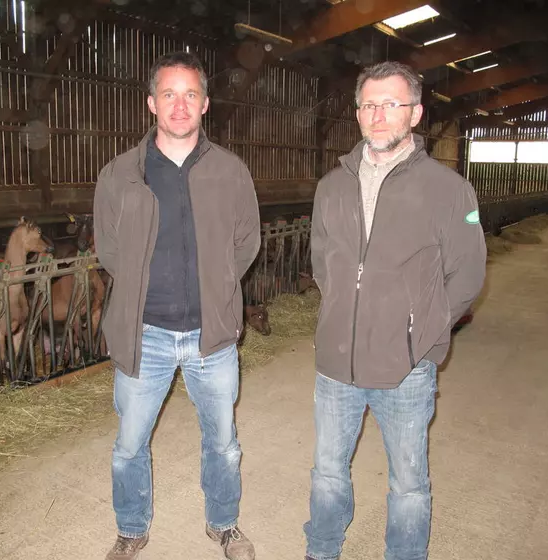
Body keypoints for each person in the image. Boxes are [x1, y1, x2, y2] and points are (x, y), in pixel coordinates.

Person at [303, 61, 487, 560]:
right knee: (326, 470)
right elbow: (323, 261)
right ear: (358, 113)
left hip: (406, 368)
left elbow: (467, 274)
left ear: (416, 113)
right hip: (336, 363)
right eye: (369, 104)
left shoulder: (450, 191)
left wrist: (418, 334)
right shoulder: (331, 186)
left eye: (391, 104)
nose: (378, 115)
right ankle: (322, 549)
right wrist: (342, 309)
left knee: (407, 482)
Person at [93, 51, 261, 560]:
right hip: (146, 334)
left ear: (205, 104)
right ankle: (131, 528)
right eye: (169, 94)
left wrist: (220, 289)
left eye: (190, 94)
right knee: (129, 445)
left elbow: (246, 242)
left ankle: (224, 524)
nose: (180, 105)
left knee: (223, 442)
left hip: (212, 335)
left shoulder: (230, 172)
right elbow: (109, 247)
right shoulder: (121, 174)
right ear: (151, 103)